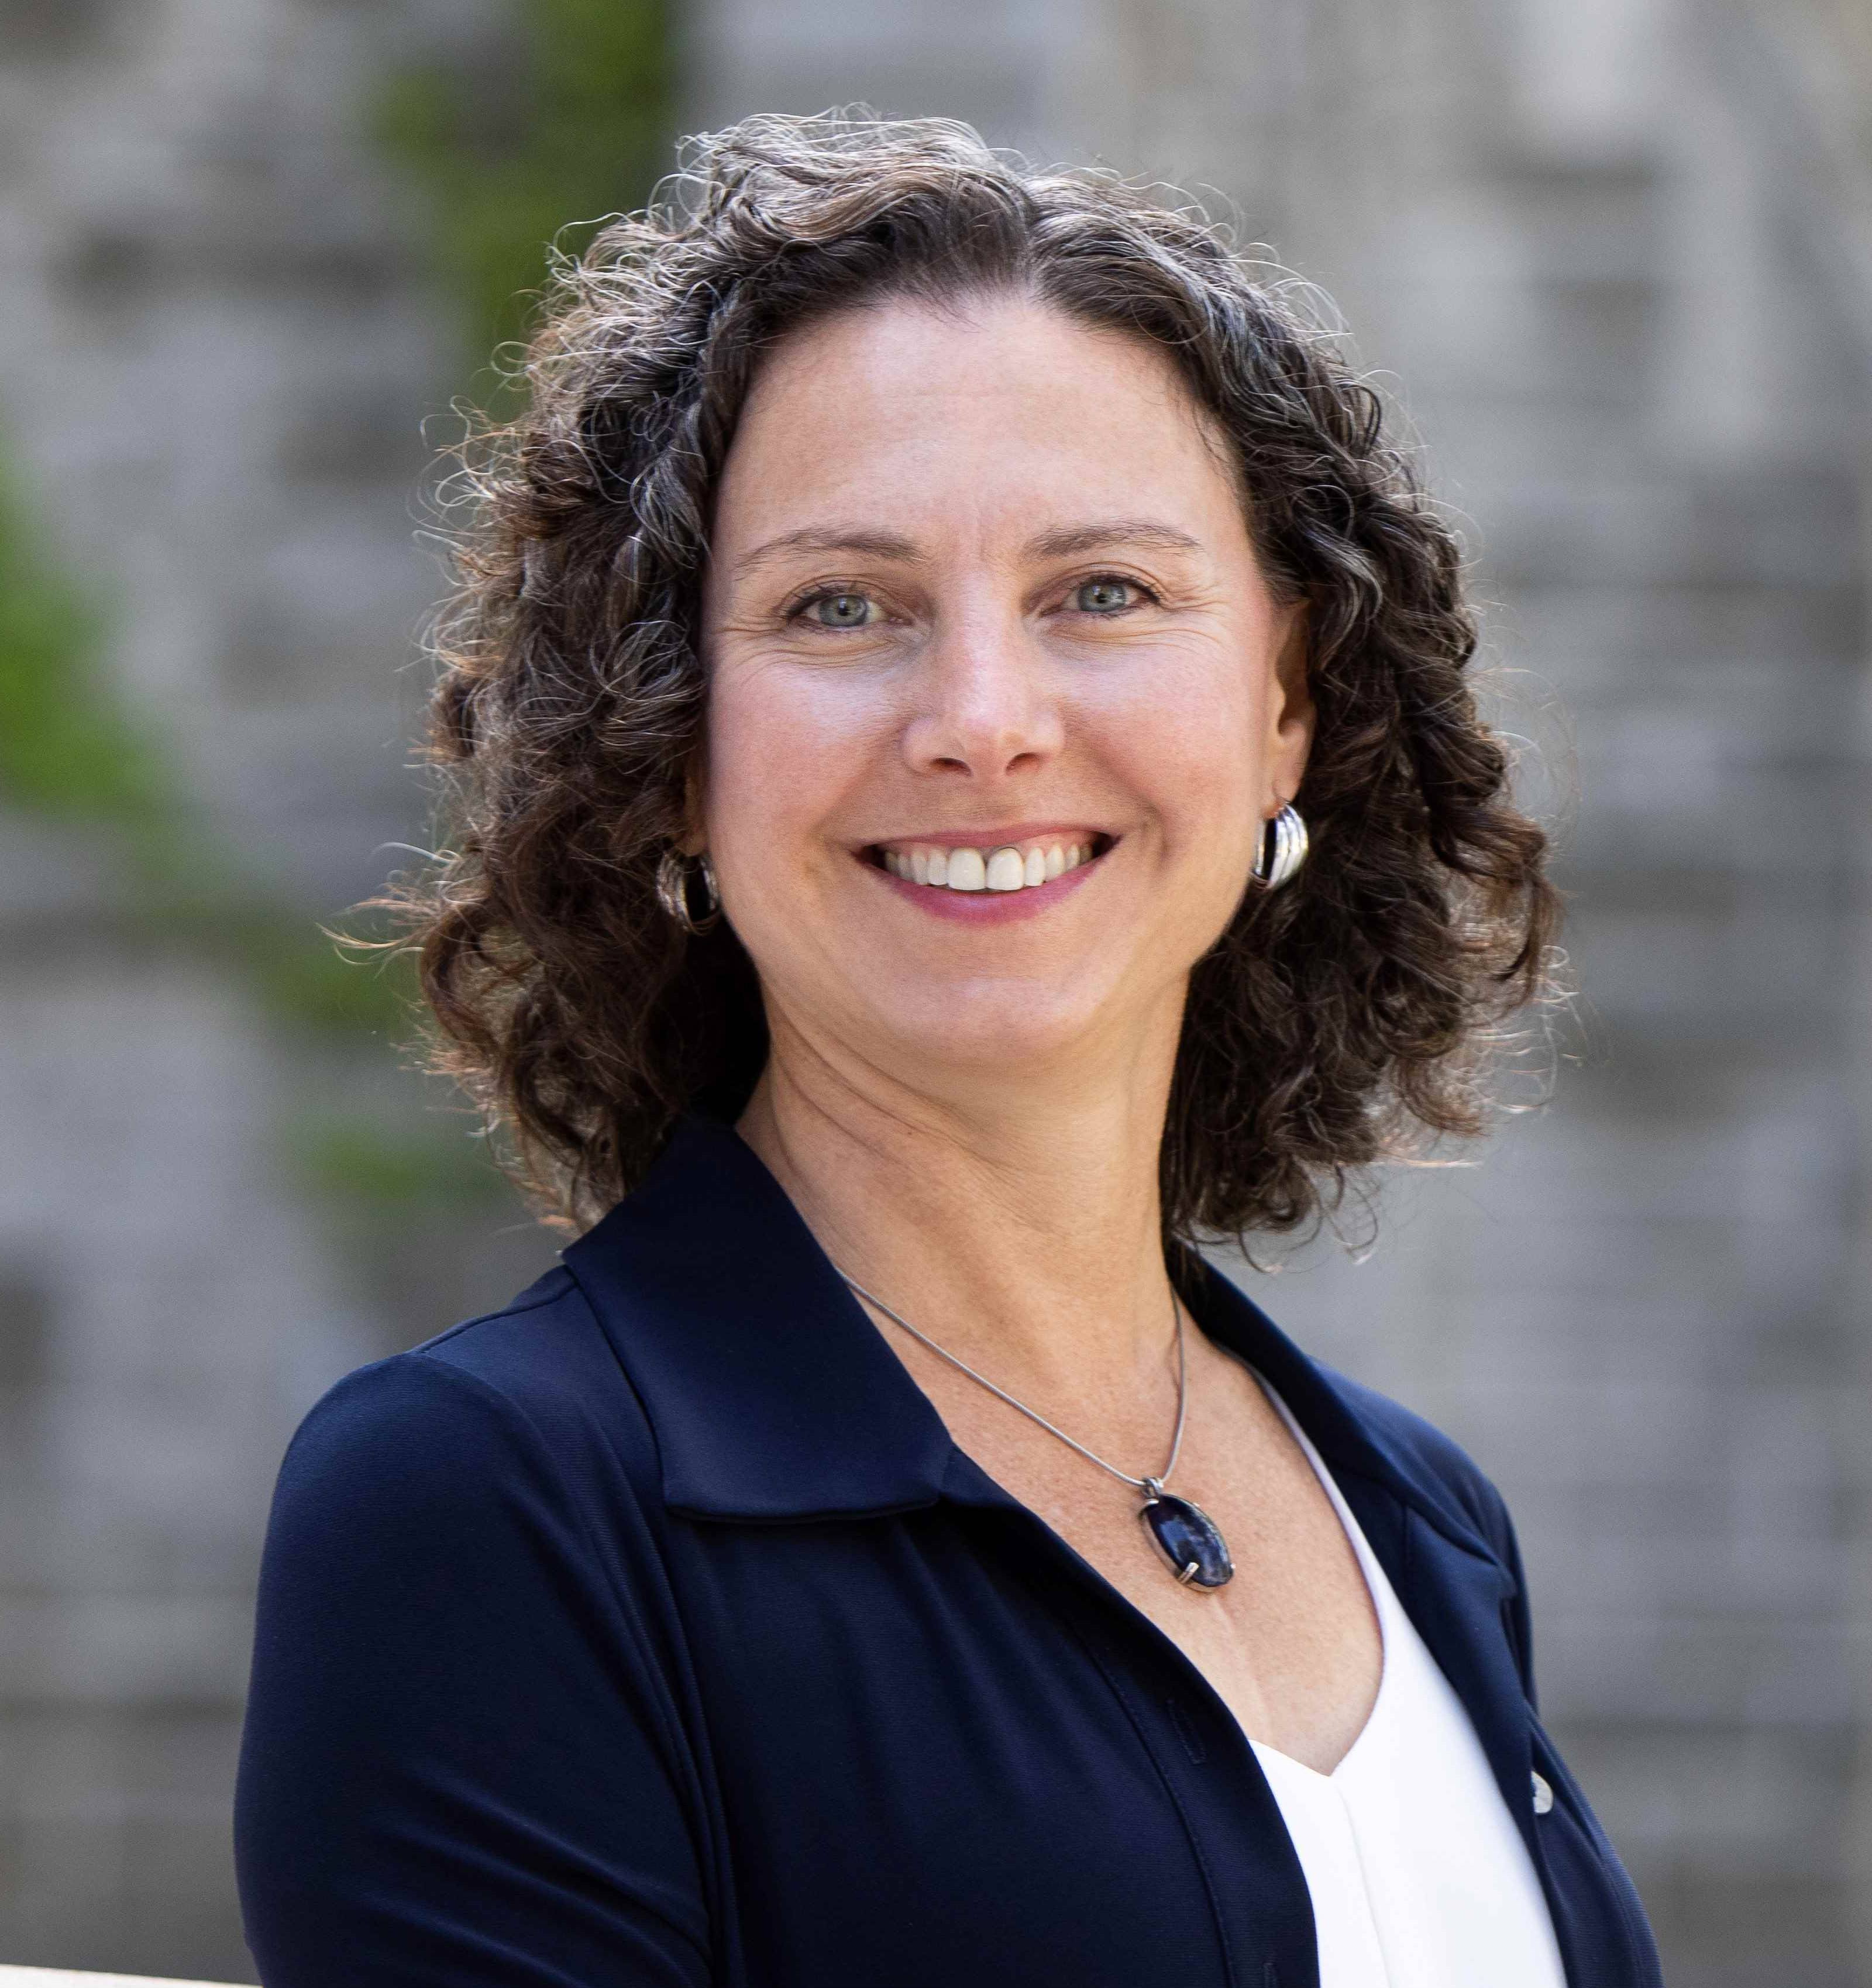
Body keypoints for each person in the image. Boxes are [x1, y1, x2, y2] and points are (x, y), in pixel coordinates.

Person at [234, 113, 1661, 1987]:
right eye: (844, 607)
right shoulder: (495, 1512)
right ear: (672, 744)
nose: (983, 721)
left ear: (1287, 704)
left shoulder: (1412, 1512)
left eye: (1103, 593)